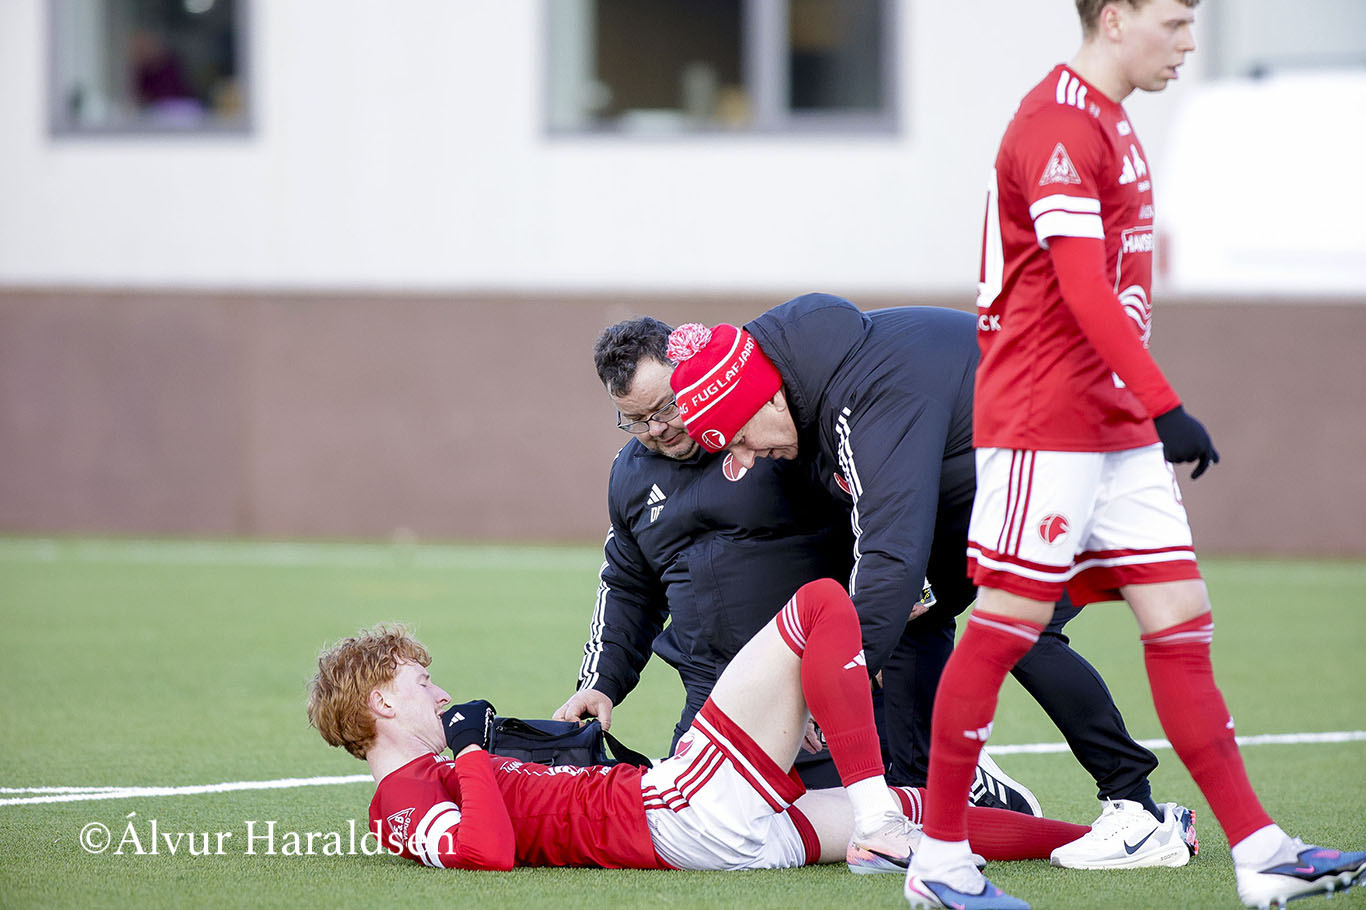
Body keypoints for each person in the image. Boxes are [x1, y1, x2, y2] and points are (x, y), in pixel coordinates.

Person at [900, 2, 1366, 909]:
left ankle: (1262, 852)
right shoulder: (1057, 122)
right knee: (1006, 622)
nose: (1190, 42)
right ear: (1114, 18)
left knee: (1180, 613)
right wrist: (1167, 404)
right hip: (1044, 421)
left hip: (1112, 423)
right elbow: (1081, 287)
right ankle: (940, 863)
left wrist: (1139, 408)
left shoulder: (1112, 118)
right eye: (1175, 22)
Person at [665, 300, 1196, 866]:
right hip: (1011, 487)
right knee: (914, 618)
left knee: (1019, 627)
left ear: (768, 399)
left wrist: (836, 682)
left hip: (1091, 460)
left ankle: (1140, 811)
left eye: (741, 439)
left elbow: (890, 553)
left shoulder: (866, 396)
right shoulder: (821, 393)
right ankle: (927, 802)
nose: (747, 459)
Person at [306, 580, 1093, 871]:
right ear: (381, 705)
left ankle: (1092, 841)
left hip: (696, 827)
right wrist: (476, 750)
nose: (440, 692)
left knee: (916, 810)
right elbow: (487, 851)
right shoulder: (401, 798)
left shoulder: (427, 780)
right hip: (675, 811)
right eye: (420, 683)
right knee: (819, 604)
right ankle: (878, 813)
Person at [553, 316, 857, 789]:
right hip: (712, 710)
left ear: (690, 373)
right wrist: (600, 682)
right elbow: (629, 587)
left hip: (822, 700)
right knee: (682, 823)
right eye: (635, 420)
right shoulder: (629, 476)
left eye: (666, 407)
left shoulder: (773, 429)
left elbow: (869, 524)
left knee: (888, 809)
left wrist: (840, 671)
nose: (657, 429)